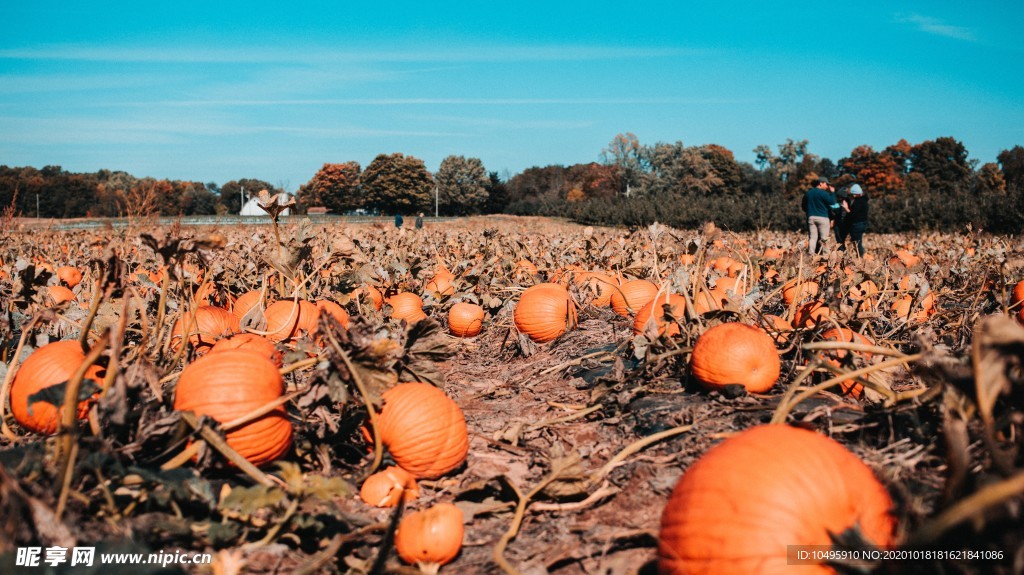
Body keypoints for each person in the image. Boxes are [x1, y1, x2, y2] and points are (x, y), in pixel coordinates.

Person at [801, 177, 840, 256]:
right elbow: (832, 202)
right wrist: (832, 193)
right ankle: (826, 256)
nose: (827, 186)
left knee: (812, 238)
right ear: (821, 183)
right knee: (824, 238)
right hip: (823, 218)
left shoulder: (808, 193)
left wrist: (809, 212)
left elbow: (803, 206)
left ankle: (811, 254)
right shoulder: (823, 193)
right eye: (826, 184)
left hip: (811, 217)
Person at [845, 183, 869, 256]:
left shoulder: (858, 202)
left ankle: (860, 256)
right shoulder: (864, 201)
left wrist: (846, 209)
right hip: (863, 223)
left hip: (857, 224)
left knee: (857, 242)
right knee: (857, 241)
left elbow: (853, 214)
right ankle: (859, 255)